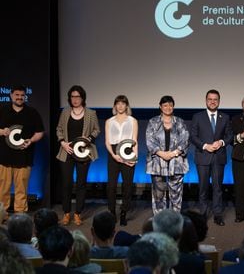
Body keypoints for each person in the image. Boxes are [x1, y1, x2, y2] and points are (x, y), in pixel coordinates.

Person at [56, 85, 100, 226]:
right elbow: (59, 129)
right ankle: (66, 213)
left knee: (81, 184)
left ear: (82, 98)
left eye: (78, 96)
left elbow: (96, 130)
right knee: (67, 184)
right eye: (72, 96)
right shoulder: (65, 112)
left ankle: (77, 213)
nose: (75, 99)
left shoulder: (91, 113)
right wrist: (62, 142)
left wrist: (89, 139)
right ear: (70, 98)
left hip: (83, 152)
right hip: (67, 151)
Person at [0, 85, 44, 216]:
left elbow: (40, 132)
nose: (19, 98)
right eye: (17, 95)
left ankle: (20, 216)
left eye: (22, 95)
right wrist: (2, 131)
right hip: (4, 158)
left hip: (24, 157)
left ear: (25, 96)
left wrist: (31, 140)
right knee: (3, 189)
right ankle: (2, 215)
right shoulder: (2, 110)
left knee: (21, 189)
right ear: (11, 95)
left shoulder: (32, 112)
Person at [190, 89, 232, 226]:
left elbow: (229, 136)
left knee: (218, 188)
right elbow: (193, 136)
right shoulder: (197, 116)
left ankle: (217, 215)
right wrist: (205, 146)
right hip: (203, 156)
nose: (213, 102)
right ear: (206, 100)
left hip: (219, 158)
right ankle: (202, 214)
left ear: (219, 101)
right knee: (203, 188)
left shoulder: (225, 117)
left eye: (215, 99)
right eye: (210, 99)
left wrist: (221, 142)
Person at [146, 96, 189, 215]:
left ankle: (175, 219)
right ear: (160, 107)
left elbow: (185, 140)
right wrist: (162, 154)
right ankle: (160, 220)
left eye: (170, 105)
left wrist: (173, 153)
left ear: (173, 106)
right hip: (157, 163)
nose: (168, 107)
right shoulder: (153, 122)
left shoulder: (180, 122)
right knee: (158, 194)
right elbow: (150, 141)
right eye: (165, 105)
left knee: (176, 194)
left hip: (176, 162)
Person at [105, 95, 138, 226]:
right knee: (111, 186)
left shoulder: (133, 121)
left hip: (128, 151)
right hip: (113, 152)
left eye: (123, 103)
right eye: (117, 103)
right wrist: (113, 154)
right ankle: (112, 212)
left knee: (127, 185)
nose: (120, 106)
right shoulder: (109, 121)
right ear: (115, 106)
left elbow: (134, 140)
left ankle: (124, 212)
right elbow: (107, 141)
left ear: (126, 106)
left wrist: (134, 157)